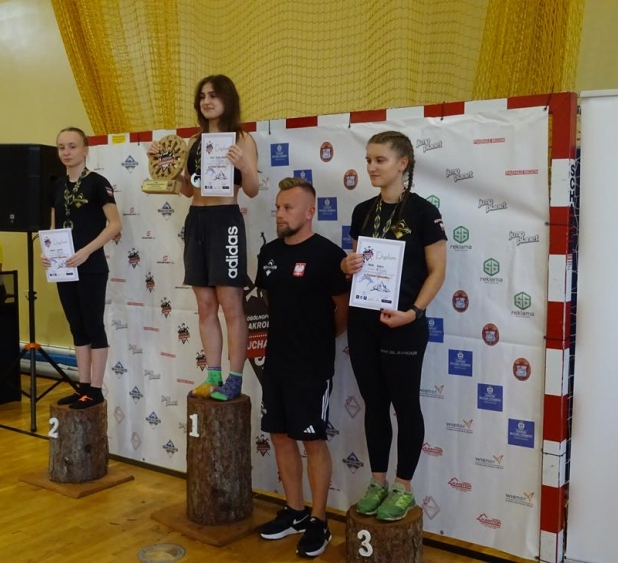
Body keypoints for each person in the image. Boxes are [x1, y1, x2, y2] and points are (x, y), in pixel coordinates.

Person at [340, 131, 447, 521]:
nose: (371, 167)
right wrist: (346, 265)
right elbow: (356, 264)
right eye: (368, 160)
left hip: (404, 323)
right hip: (364, 321)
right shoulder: (362, 211)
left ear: (402, 164)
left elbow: (438, 271)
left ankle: (403, 487)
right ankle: (377, 482)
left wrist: (414, 312)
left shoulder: (423, 212)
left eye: (380, 160)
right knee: (375, 404)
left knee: (405, 404)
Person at [149, 74, 259, 401]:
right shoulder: (194, 142)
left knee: (231, 305)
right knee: (205, 305)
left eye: (213, 95)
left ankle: (235, 379)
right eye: (202, 96)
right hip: (196, 219)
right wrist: (162, 162)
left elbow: (252, 190)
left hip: (225, 221)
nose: (207, 101)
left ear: (228, 99)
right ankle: (213, 376)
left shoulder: (242, 138)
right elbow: (188, 188)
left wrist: (245, 166)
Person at [256, 178, 348, 558]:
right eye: (278, 207)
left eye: (288, 208)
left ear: (310, 212)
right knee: (280, 435)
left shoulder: (328, 255)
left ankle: (318, 520)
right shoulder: (268, 252)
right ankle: (294, 510)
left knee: (313, 441)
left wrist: (321, 339)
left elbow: (342, 309)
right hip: (275, 360)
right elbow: (268, 300)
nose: (279, 214)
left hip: (311, 365)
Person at [42, 126, 122, 410]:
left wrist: (87, 251)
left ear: (86, 149)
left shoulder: (98, 183)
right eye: (61, 147)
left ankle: (96, 390)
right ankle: (83, 386)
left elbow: (115, 225)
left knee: (93, 325)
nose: (66, 152)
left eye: (72, 146)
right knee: (76, 326)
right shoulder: (56, 186)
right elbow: (54, 226)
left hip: (91, 266)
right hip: (64, 267)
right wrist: (47, 252)